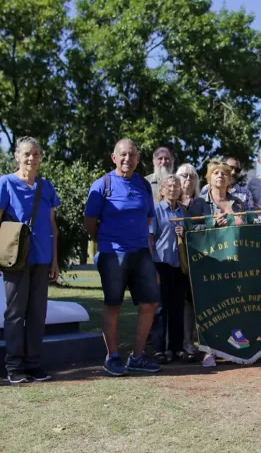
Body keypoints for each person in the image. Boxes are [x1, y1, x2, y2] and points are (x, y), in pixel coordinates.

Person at [84, 138, 161, 377]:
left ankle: (137, 356)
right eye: (123, 155)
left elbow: (147, 218)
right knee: (113, 305)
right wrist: (109, 241)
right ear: (114, 158)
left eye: (132, 155)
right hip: (112, 254)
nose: (128, 159)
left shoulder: (144, 186)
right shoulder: (102, 185)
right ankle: (112, 357)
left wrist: (144, 247)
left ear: (138, 159)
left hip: (141, 253)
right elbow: (89, 222)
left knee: (150, 304)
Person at [1, 137, 60, 384]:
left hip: (42, 257)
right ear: (16, 156)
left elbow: (52, 226)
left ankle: (34, 364)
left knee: (37, 313)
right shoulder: (5, 183)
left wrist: (55, 260)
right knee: (15, 313)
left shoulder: (46, 187)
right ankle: (14, 366)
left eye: (36, 154)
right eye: (26, 154)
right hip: (16, 259)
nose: (31, 158)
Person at [188, 161, 245, 368]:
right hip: (207, 263)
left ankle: (232, 348)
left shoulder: (238, 203)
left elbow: (246, 227)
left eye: (224, 174)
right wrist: (212, 223)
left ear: (230, 180)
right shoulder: (198, 204)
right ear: (209, 178)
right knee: (209, 306)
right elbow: (190, 229)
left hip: (233, 262)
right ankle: (209, 351)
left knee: (234, 305)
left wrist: (233, 222)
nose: (220, 176)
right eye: (216, 173)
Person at [149, 175, 188, 364]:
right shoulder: (156, 210)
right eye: (169, 186)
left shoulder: (183, 211)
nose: (173, 189)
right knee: (160, 309)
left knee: (177, 308)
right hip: (160, 264)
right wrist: (151, 266)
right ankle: (158, 349)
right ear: (162, 190)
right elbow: (150, 239)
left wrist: (185, 232)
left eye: (176, 186)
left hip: (178, 265)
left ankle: (176, 348)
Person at [174, 162, 201, 358]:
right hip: (173, 260)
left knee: (192, 302)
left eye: (192, 176)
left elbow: (208, 229)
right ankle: (175, 344)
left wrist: (189, 231)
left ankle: (190, 342)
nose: (188, 179)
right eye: (184, 175)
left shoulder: (201, 204)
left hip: (197, 259)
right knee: (176, 302)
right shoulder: (171, 203)